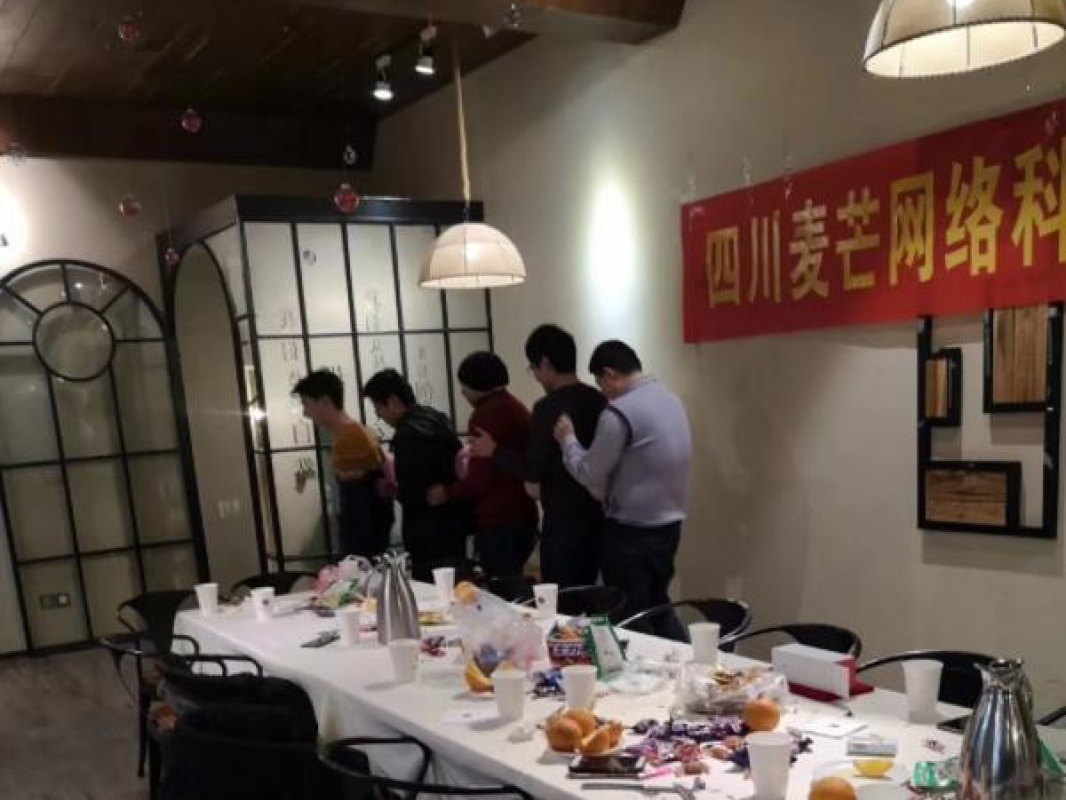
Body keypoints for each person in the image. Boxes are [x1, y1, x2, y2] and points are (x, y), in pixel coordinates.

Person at [553, 340, 691, 639]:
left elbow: (590, 471)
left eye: (600, 383)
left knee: (629, 614)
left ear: (610, 374)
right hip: (670, 526)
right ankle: (684, 658)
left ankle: (642, 666)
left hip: (630, 532)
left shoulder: (619, 413)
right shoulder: (670, 399)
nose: (602, 392)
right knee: (658, 604)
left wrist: (568, 440)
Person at [469, 324, 606, 587]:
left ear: (545, 363)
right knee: (592, 595)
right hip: (597, 519)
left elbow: (533, 469)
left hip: (562, 524)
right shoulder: (598, 400)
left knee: (562, 599)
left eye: (533, 368)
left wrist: (494, 450)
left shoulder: (547, 408)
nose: (535, 376)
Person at [427, 352, 538, 579]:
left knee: (501, 589)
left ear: (475, 384)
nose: (462, 392)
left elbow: (479, 478)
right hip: (524, 514)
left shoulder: (485, 415)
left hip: (499, 520)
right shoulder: (516, 406)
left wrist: (446, 492)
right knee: (517, 586)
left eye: (464, 385)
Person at [362, 368, 470, 581]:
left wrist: (395, 490)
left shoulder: (408, 434)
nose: (378, 415)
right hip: (455, 525)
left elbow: (415, 492)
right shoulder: (436, 418)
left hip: (427, 533)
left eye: (378, 407)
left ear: (393, 401)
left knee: (432, 592)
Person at [293, 370, 394, 560]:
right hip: (370, 538)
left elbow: (358, 504)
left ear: (325, 402)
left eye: (306, 404)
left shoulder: (350, 439)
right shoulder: (356, 432)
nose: (305, 413)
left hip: (363, 544)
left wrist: (352, 556)